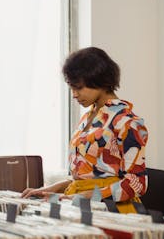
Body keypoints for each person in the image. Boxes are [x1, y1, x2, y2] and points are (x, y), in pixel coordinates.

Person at [21, 47, 148, 213]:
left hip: (111, 210)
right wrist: (49, 189)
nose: (74, 95)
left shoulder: (126, 121)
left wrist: (89, 196)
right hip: (80, 204)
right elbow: (86, 177)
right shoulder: (88, 118)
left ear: (100, 80)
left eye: (79, 88)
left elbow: (137, 183)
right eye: (71, 88)